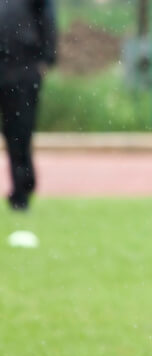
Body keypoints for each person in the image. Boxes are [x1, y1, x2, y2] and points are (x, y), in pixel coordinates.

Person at [0, 0, 57, 211]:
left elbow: (47, 17)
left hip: (22, 65)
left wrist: (47, 58)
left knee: (19, 130)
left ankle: (22, 188)